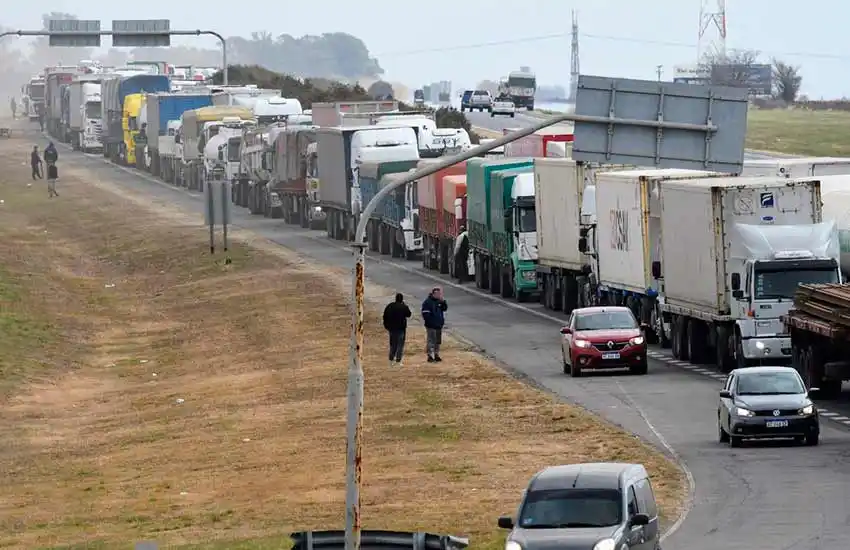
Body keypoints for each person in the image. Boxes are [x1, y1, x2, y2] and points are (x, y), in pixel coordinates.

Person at [382, 293, 411, 365]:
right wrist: (405, 305)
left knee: (393, 344)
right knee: (400, 345)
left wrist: (386, 325)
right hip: (401, 329)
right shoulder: (403, 307)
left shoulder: (390, 306)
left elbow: (385, 316)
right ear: (402, 299)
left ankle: (391, 359)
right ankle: (398, 360)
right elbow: (409, 314)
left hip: (391, 328)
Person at [421, 286, 448, 362]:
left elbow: (444, 308)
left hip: (438, 325)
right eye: (437, 294)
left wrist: (443, 302)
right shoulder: (427, 302)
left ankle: (436, 354)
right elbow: (425, 314)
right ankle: (430, 355)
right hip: (431, 325)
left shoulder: (439, 301)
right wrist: (430, 322)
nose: (439, 295)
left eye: (440, 294)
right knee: (431, 340)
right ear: (433, 294)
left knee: (437, 341)